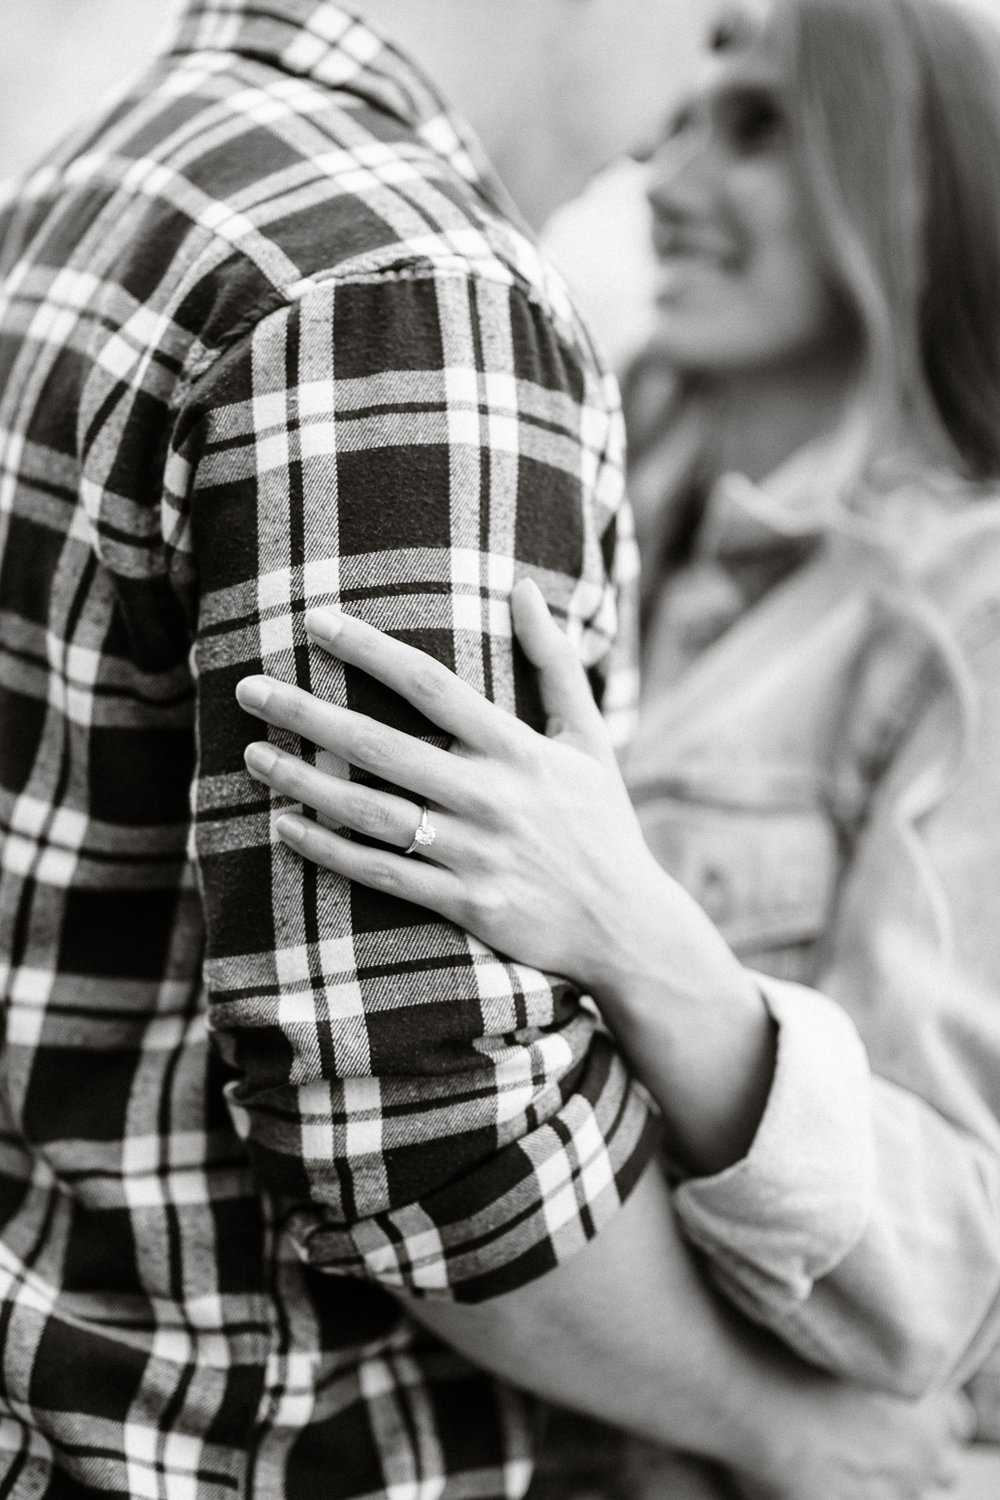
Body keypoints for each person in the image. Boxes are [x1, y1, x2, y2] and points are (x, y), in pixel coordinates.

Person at [234, 0, 1000, 1492]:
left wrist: (643, 942)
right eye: (673, 126)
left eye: (760, 127)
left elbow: (954, 1258)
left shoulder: (967, 614)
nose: (668, 180)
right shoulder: (597, 511)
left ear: (910, 181)